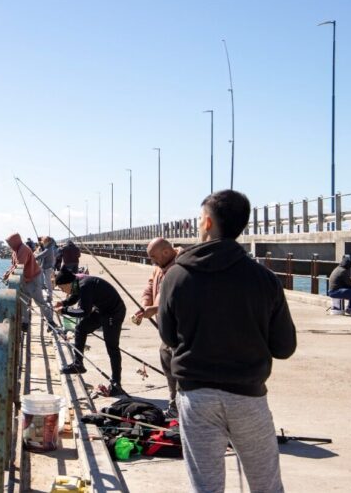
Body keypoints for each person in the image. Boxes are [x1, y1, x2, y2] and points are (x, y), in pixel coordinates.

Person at [158, 189, 297, 493]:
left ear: (208, 222)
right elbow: (284, 347)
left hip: (196, 397)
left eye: (199, 219)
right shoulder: (265, 279)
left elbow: (168, 337)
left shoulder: (176, 276)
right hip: (248, 396)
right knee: (267, 486)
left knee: (206, 487)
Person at [54, 268, 126, 396]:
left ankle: (116, 383)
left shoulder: (85, 285)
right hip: (102, 310)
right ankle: (78, 364)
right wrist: (63, 303)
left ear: (67, 283)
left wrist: (64, 310)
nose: (62, 291)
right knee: (80, 329)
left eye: (61, 288)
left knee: (112, 347)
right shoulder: (78, 283)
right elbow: (75, 297)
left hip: (114, 312)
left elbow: (84, 312)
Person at [132, 237, 180, 418]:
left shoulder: (181, 267)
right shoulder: (160, 267)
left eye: (154, 257)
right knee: (167, 363)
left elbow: (178, 300)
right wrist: (145, 304)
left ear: (166, 252)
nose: (152, 261)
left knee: (179, 370)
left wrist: (155, 309)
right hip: (166, 330)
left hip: (179, 331)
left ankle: (179, 408)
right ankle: (174, 406)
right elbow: (150, 285)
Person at [3, 233, 53, 328]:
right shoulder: (15, 250)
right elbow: (14, 265)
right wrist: (8, 272)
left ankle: (50, 321)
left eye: (10, 243)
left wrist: (9, 275)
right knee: (24, 302)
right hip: (25, 279)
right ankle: (25, 323)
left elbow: (20, 265)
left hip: (33, 278)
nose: (9, 245)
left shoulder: (23, 249)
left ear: (15, 241)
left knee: (39, 301)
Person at [34, 236, 57, 303]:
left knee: (48, 283)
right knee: (47, 281)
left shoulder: (48, 249)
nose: (43, 243)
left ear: (48, 242)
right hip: (46, 267)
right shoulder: (49, 247)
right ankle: (48, 295)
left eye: (44, 242)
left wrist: (33, 257)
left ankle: (50, 297)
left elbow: (41, 255)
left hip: (47, 268)